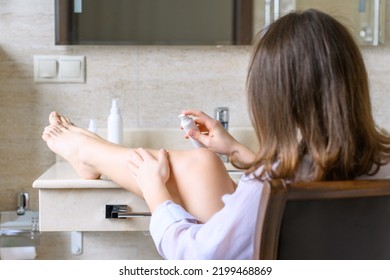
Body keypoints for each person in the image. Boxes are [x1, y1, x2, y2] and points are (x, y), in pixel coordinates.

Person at [42, 9, 390, 259]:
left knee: (200, 166)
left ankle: (88, 150)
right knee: (205, 163)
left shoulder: (266, 188)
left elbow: (196, 258)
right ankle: (92, 149)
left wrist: (156, 193)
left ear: (272, 98)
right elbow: (316, 175)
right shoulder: (383, 163)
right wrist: (239, 152)